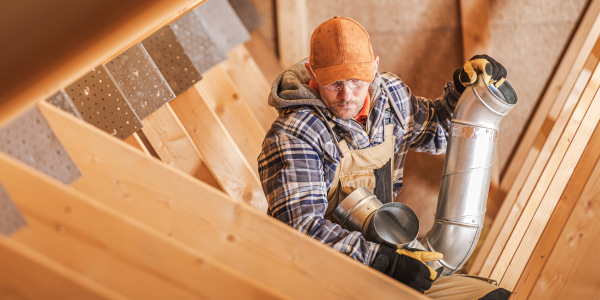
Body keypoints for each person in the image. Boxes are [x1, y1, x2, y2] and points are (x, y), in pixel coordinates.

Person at [258, 16, 510, 299]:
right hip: (322, 278)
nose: (346, 96)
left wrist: (463, 93)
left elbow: (437, 132)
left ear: (374, 67)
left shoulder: (391, 98)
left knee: (495, 296)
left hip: (387, 254)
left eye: (356, 81)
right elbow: (301, 229)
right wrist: (383, 262)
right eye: (333, 84)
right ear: (312, 72)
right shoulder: (295, 134)